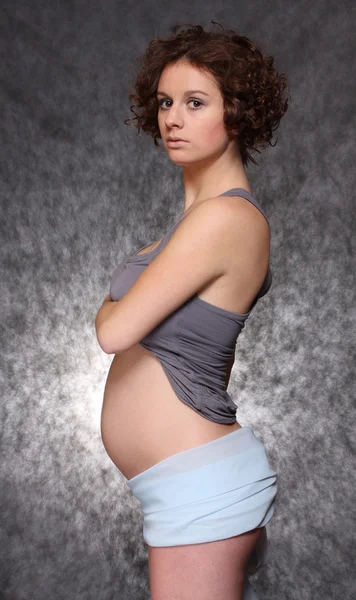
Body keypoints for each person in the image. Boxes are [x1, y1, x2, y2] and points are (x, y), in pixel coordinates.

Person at [95, 21, 290, 600]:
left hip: (202, 485)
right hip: (182, 484)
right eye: (164, 103)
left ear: (238, 112)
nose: (172, 119)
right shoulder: (192, 225)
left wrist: (110, 306)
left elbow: (114, 330)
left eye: (195, 102)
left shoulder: (226, 219)